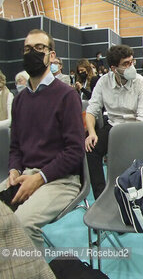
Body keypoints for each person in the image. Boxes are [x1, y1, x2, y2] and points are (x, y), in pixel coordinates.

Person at [0, 29, 84, 247]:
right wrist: (14, 171)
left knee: (21, 224)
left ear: (51, 55)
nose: (32, 53)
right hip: (25, 175)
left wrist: (39, 179)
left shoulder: (67, 96)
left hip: (61, 180)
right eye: (27, 49)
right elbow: (16, 148)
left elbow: (74, 152)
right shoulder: (19, 101)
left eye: (39, 48)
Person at [85, 45, 143, 199]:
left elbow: (142, 118)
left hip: (138, 128)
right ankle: (101, 196)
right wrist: (92, 133)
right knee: (91, 149)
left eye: (131, 62)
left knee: (130, 152)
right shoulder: (103, 82)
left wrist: (122, 142)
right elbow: (91, 110)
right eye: (126, 64)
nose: (131, 66)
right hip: (114, 126)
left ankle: (138, 195)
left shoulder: (140, 82)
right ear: (114, 68)